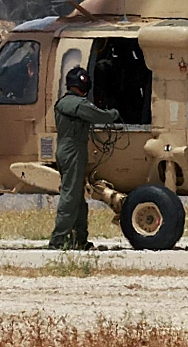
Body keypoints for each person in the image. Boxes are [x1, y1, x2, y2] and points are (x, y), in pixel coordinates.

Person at [49, 66, 120, 250]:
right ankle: (58, 240)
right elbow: (99, 115)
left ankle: (79, 239)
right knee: (71, 197)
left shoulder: (67, 102)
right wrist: (114, 113)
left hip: (71, 150)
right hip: (72, 151)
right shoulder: (75, 104)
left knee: (78, 199)